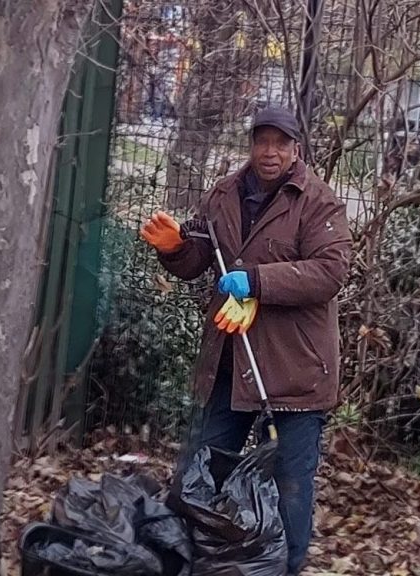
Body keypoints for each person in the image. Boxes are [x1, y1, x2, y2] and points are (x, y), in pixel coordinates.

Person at [139, 106, 352, 574]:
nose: (269, 152)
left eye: (280, 142)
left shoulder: (317, 202)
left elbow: (330, 271)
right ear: (251, 144)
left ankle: (285, 568)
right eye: (262, 141)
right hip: (230, 365)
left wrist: (256, 282)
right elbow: (200, 256)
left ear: (296, 148)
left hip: (295, 370)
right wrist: (176, 249)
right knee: (202, 470)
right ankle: (195, 562)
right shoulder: (224, 195)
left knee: (289, 486)